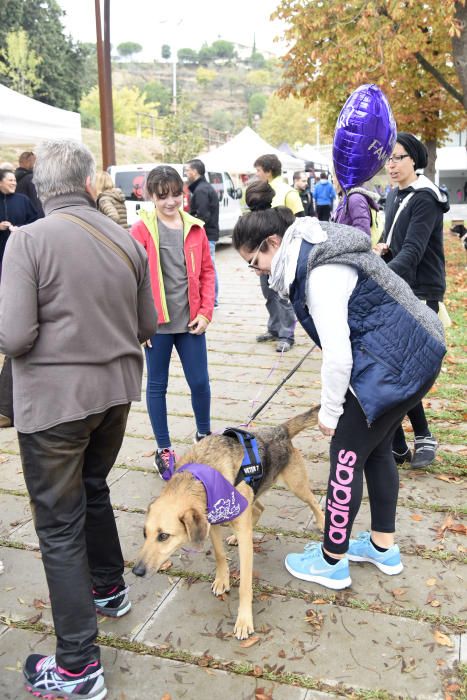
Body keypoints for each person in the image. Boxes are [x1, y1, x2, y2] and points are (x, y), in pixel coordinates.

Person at [0, 139, 157, 699]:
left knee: (58, 523)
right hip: (114, 394)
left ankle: (77, 667)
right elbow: (148, 324)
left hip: (55, 405)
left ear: (41, 189)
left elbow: (14, 335)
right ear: (89, 184)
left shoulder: (29, 242)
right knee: (92, 489)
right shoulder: (125, 238)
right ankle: (109, 588)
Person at [232, 183, 445, 591]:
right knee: (378, 449)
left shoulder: (321, 271)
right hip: (414, 353)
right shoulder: (317, 250)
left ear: (273, 242)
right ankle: (383, 546)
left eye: (253, 260)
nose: (255, 269)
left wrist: (330, 413)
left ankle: (332, 560)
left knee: (345, 453)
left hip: (396, 363)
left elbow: (339, 356)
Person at [130, 166, 215, 477]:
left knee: (200, 382)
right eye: (163, 196)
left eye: (176, 194)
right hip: (156, 326)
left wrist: (206, 312)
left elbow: (207, 272)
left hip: (191, 322)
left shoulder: (195, 228)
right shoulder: (139, 231)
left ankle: (204, 437)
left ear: (184, 193)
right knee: (157, 385)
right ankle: (164, 448)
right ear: (150, 195)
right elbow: (130, 280)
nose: (170, 201)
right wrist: (140, 325)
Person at [375, 132, 449, 468]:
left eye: (398, 157)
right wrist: (373, 253)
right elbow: (388, 242)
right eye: (388, 159)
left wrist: (380, 275)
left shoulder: (425, 198)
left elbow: (413, 252)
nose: (391, 164)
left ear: (414, 160)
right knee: (394, 367)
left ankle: (422, 437)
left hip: (420, 290)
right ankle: (400, 443)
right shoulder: (394, 195)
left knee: (409, 370)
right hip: (396, 287)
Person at [0, 168, 39, 429]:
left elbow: (36, 221)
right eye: (10, 179)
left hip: (24, 264)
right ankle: (6, 408)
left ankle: (7, 408)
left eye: (15, 179)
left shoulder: (23, 201)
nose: (14, 182)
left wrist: (21, 231)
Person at [253, 154, 302, 353]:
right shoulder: (261, 192)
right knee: (268, 293)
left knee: (282, 295)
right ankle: (274, 328)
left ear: (268, 170)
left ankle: (287, 335)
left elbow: (299, 221)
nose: (256, 174)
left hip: (282, 253)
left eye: (258, 170)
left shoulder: (289, 193)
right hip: (264, 253)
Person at [185, 158, 220, 306]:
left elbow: (202, 216)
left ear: (194, 172)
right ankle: (213, 299)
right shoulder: (202, 188)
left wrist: (188, 222)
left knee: (208, 268)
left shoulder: (201, 191)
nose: (186, 173)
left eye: (187, 170)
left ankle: (212, 300)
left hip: (206, 234)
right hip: (208, 233)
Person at [14, 151, 44, 217]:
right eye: (35, 161)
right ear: (28, 162)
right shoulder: (31, 178)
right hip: (31, 217)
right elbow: (35, 201)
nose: (37, 164)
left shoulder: (12, 177)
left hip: (18, 214)